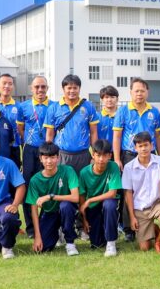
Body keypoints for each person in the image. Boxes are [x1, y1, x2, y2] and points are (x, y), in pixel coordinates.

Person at [121, 132, 160, 254]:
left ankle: (159, 241)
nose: (143, 148)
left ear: (152, 145)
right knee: (144, 248)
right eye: (140, 146)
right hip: (140, 208)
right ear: (135, 148)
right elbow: (128, 193)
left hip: (157, 204)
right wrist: (132, 216)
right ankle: (154, 230)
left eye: (146, 145)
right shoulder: (129, 167)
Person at [26, 142, 81, 256]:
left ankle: (70, 242)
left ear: (58, 157)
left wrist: (50, 196)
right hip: (49, 212)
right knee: (42, 249)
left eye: (52, 157)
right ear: (40, 159)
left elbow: (76, 197)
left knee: (65, 206)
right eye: (46, 158)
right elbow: (34, 210)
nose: (49, 161)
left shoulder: (68, 170)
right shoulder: (35, 180)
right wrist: (37, 237)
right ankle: (57, 232)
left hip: (66, 209)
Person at [17, 76, 55, 237]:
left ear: (47, 88)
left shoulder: (54, 106)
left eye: (43, 87)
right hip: (30, 150)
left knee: (50, 185)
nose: (40, 90)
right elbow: (20, 130)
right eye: (37, 87)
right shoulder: (23, 107)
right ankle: (31, 227)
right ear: (31, 89)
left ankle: (48, 224)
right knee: (28, 187)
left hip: (48, 150)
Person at [44, 74, 99, 174]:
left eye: (75, 88)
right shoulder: (54, 108)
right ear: (63, 88)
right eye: (69, 88)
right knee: (62, 186)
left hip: (83, 155)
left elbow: (94, 132)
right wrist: (49, 155)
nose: (72, 91)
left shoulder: (89, 107)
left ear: (79, 88)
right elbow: (50, 134)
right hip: (62, 155)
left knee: (82, 186)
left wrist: (95, 154)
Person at [78, 139, 122, 256]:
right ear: (93, 155)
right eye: (98, 155)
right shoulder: (84, 173)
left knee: (109, 204)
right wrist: (84, 221)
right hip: (93, 207)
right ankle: (103, 236)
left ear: (110, 156)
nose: (101, 159)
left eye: (105, 155)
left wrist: (90, 200)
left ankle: (111, 243)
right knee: (96, 244)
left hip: (106, 202)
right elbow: (82, 198)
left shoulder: (113, 167)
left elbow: (112, 193)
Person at [112, 77, 160, 169]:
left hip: (149, 155)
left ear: (147, 92)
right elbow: (117, 136)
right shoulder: (123, 111)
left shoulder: (155, 111)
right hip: (129, 155)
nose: (139, 94)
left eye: (142, 91)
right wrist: (117, 159)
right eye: (136, 91)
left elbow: (157, 136)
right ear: (131, 92)